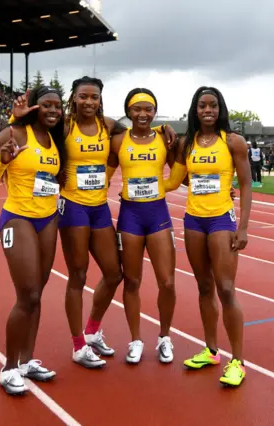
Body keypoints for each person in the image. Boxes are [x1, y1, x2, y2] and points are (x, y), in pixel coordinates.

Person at [9, 77, 177, 368]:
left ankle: (91, 331)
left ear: (101, 100)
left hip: (99, 208)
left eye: (94, 97)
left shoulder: (110, 126)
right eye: (83, 97)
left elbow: (140, 127)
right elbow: (27, 131)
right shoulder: (63, 126)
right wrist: (15, 116)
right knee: (78, 275)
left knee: (114, 273)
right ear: (74, 98)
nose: (89, 102)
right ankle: (78, 346)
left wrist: (162, 127)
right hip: (73, 207)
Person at [0, 86, 65, 395]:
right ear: (33, 108)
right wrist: (2, 160)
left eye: (58, 106)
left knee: (38, 294)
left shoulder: (57, 140)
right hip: (19, 218)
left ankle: (27, 361)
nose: (53, 110)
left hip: (48, 219)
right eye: (46, 105)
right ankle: (9, 367)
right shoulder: (13, 134)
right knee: (27, 294)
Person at [163, 86, 252, 387]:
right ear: (195, 110)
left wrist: (243, 227)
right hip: (193, 220)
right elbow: (182, 178)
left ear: (221, 108)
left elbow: (247, 185)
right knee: (204, 287)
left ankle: (237, 361)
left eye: (213, 105)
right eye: (202, 106)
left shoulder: (233, 142)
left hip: (221, 221)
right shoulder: (187, 144)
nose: (208, 110)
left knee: (226, 289)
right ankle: (211, 350)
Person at [106, 88, 176, 364]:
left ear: (155, 112)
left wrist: (214, 191)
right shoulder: (119, 141)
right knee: (132, 280)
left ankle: (164, 337)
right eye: (137, 109)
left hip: (158, 214)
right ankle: (135, 340)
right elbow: (105, 175)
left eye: (148, 109)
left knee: (167, 282)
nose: (143, 114)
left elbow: (181, 172)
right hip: (130, 216)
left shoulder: (164, 138)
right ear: (128, 111)